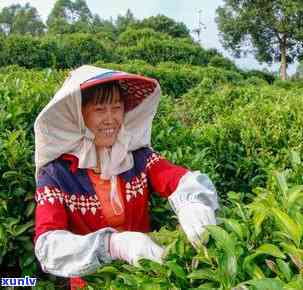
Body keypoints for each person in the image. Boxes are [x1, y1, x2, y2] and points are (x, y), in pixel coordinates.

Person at [33, 65, 219, 288]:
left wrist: (193, 204)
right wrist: (113, 245)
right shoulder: (56, 175)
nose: (111, 118)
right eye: (100, 109)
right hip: (93, 283)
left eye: (117, 107)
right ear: (78, 115)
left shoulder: (137, 158)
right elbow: (47, 244)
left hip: (145, 277)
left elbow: (176, 178)